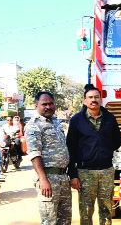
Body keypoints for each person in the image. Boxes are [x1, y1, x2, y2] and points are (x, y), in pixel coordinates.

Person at [66, 84, 121, 225]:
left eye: (96, 97)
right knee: (85, 213)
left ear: (101, 99)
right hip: (85, 173)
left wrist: (104, 149)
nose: (93, 100)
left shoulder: (110, 118)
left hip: (106, 172)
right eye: (90, 97)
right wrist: (73, 175)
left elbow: (117, 141)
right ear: (85, 101)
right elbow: (70, 149)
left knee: (106, 211)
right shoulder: (76, 120)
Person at [25, 91, 71, 225]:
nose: (48, 107)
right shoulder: (34, 125)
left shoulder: (56, 122)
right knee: (49, 221)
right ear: (36, 106)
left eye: (51, 103)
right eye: (44, 104)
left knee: (65, 220)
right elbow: (34, 154)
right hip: (48, 179)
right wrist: (43, 180)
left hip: (63, 178)